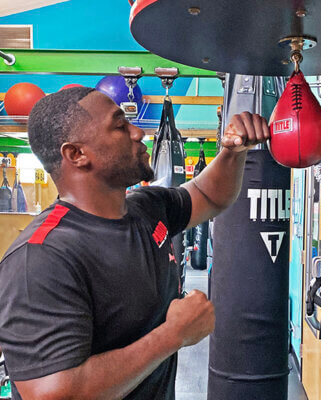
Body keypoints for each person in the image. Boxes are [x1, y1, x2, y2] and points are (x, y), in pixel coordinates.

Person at [0, 87, 270, 400]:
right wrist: (173, 335)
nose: (138, 132)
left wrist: (232, 152)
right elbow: (54, 394)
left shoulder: (147, 207)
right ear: (76, 154)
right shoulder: (42, 256)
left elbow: (210, 195)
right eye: (119, 126)